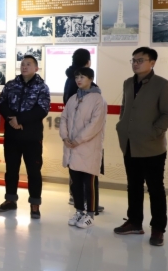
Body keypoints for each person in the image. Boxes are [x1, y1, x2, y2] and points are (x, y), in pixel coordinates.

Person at [113, 47, 168, 246]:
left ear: (152, 62)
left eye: (140, 60)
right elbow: (125, 107)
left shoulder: (163, 85)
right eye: (133, 60)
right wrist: (121, 125)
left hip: (152, 147)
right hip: (129, 144)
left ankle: (158, 228)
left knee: (155, 188)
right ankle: (134, 222)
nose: (135, 63)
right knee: (133, 186)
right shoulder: (127, 83)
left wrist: (154, 132)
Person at [0, 55, 50, 219]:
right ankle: (10, 200)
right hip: (12, 135)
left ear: (36, 68)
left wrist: (20, 120)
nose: (24, 67)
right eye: (22, 64)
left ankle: (35, 204)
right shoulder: (11, 84)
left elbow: (42, 109)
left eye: (28, 64)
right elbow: (2, 103)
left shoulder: (42, 87)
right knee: (11, 170)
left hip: (31, 136)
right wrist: (11, 119)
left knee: (33, 171)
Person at [60, 67, 107, 229]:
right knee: (76, 183)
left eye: (82, 77)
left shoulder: (98, 99)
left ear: (91, 79)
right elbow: (64, 118)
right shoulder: (73, 98)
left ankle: (90, 215)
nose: (79, 80)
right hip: (72, 148)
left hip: (88, 148)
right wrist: (65, 137)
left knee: (89, 183)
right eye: (77, 77)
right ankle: (79, 211)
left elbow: (95, 124)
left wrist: (78, 139)